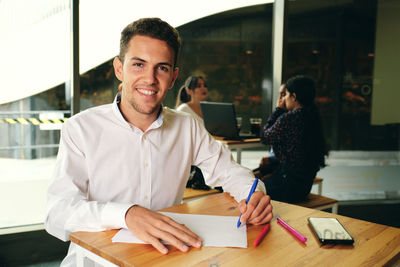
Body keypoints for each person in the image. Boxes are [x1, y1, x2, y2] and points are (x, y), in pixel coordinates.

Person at [45, 17, 273, 265]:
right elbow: (57, 212)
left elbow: (231, 173)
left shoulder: (187, 126)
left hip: (165, 256)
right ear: (119, 68)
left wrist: (253, 195)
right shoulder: (80, 128)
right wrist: (126, 214)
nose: (150, 79)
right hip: (96, 261)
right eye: (139, 64)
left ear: (173, 77)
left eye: (161, 68)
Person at [258, 75, 328, 203]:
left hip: (287, 187)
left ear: (294, 97)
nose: (283, 99)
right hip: (303, 186)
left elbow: (265, 137)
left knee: (249, 187)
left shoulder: (290, 118)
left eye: (286, 95)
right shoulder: (312, 117)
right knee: (255, 177)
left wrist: (278, 110)